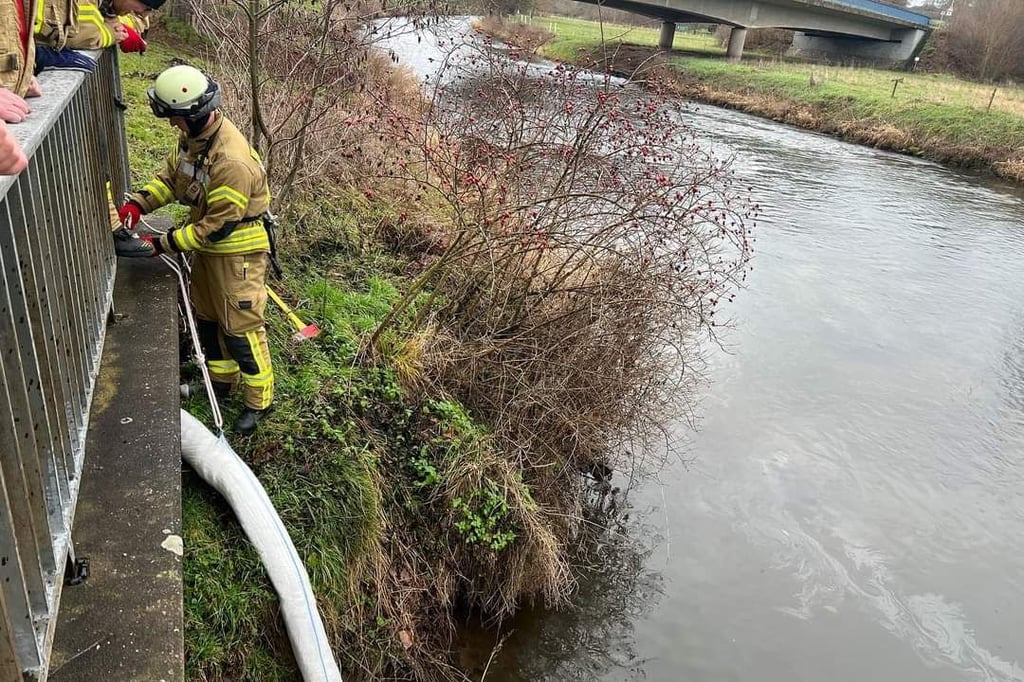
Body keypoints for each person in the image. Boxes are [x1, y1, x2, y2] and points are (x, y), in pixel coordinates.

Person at [118, 65, 275, 435]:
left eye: (173, 118)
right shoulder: (196, 140)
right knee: (207, 319)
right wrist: (139, 204)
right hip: (210, 251)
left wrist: (161, 244)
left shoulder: (231, 161)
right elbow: (173, 180)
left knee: (240, 328)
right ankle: (222, 384)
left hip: (237, 255)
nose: (171, 125)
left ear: (189, 114)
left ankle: (260, 400)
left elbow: (216, 227)